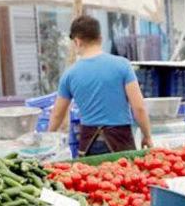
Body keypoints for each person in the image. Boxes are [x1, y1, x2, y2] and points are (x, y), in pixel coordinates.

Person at [48, 15, 153, 155]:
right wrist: (147, 136)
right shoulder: (122, 65)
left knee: (93, 177)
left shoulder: (69, 74)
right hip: (120, 142)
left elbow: (57, 115)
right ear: (101, 38)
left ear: (77, 42)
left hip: (89, 145)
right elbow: (139, 108)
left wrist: (47, 139)